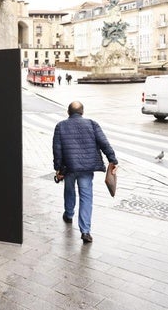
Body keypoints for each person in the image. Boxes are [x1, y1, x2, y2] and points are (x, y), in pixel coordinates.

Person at [52, 101, 118, 243]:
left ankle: (69, 214)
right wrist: (113, 160)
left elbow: (57, 150)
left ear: (68, 112)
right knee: (86, 197)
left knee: (69, 191)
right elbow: (104, 143)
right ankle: (85, 231)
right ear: (82, 112)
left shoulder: (60, 126)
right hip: (87, 168)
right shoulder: (92, 124)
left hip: (68, 167)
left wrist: (58, 168)